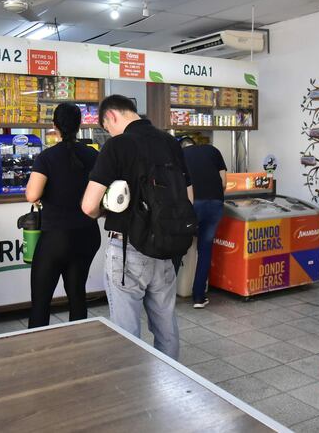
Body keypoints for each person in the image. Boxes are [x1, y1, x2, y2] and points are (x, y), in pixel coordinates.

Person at [81, 95, 193, 359]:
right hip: (167, 247)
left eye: (107, 127)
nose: (109, 132)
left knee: (126, 330)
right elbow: (189, 198)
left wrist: (103, 209)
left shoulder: (117, 146)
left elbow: (88, 206)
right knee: (166, 325)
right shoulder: (170, 142)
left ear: (111, 117)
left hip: (128, 247)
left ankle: (133, 390)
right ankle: (172, 383)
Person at [25, 103, 101, 328]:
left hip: (56, 237)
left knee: (41, 301)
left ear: (54, 126)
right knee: (77, 295)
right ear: (80, 125)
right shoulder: (93, 155)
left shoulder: (47, 157)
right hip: (87, 234)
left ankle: (38, 352)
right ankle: (77, 346)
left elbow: (32, 195)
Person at [179, 137, 227, 309]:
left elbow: (178, 185)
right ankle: (199, 297)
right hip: (215, 204)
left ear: (182, 146)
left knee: (177, 248)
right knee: (205, 250)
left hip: (193, 205)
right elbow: (224, 183)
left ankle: (165, 296)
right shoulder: (212, 150)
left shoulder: (179, 154)